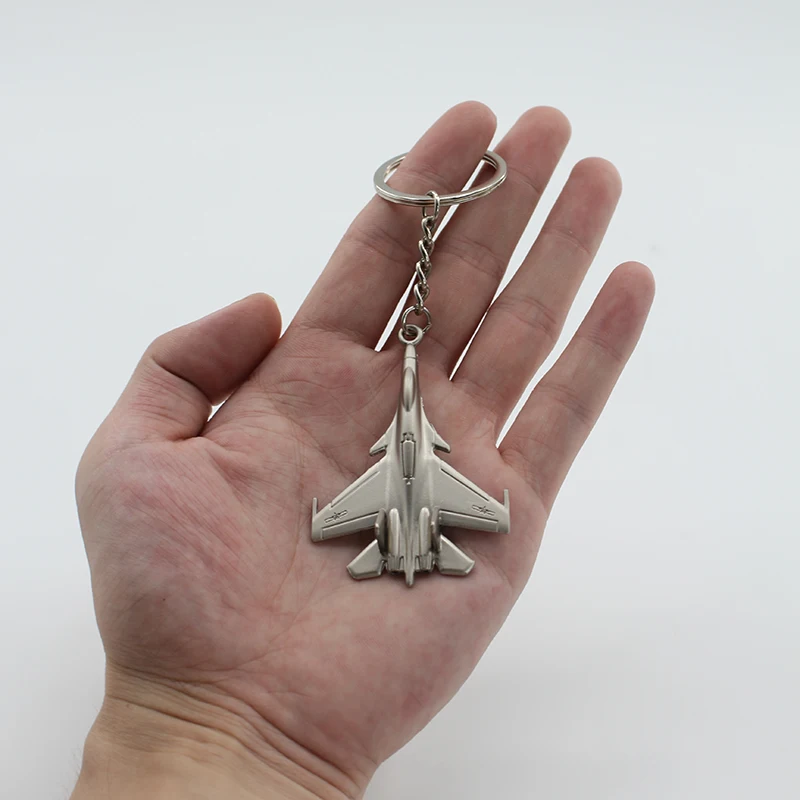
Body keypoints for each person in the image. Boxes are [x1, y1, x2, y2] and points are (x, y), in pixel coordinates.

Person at [71, 102, 654, 799]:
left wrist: (202, 729)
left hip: (417, 527)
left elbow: (480, 510)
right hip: (394, 535)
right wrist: (212, 717)